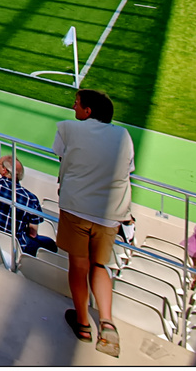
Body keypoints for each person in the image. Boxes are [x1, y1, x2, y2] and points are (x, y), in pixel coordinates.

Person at [55, 89, 134, 358]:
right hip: (109, 213)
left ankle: (84, 324)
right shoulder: (123, 135)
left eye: (76, 104)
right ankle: (107, 323)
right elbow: (127, 170)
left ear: (88, 111)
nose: (73, 107)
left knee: (78, 265)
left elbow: (63, 161)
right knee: (99, 266)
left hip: (77, 206)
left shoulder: (68, 129)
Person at [0, 156, 58, 258]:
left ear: (4, 170)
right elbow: (33, 234)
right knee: (50, 243)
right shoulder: (31, 199)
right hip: (12, 249)